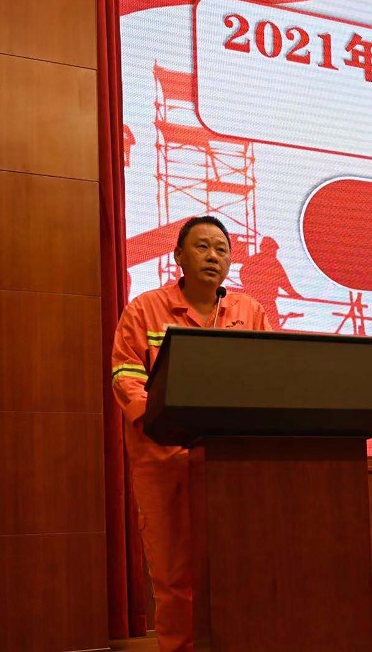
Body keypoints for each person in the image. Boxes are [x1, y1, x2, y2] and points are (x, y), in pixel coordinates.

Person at [111, 216, 269, 652]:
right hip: (164, 461)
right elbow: (125, 375)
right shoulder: (144, 310)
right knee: (173, 575)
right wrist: (164, 420)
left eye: (221, 248)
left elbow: (270, 374)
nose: (213, 256)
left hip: (231, 462)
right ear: (178, 255)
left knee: (236, 567)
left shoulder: (250, 312)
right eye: (202, 247)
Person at [239, 236, 302, 330]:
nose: (275, 252)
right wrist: (294, 294)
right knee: (271, 328)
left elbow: (283, 281)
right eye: (273, 250)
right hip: (263, 302)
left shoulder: (256, 260)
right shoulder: (267, 262)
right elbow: (284, 282)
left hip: (259, 301)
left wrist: (294, 294)